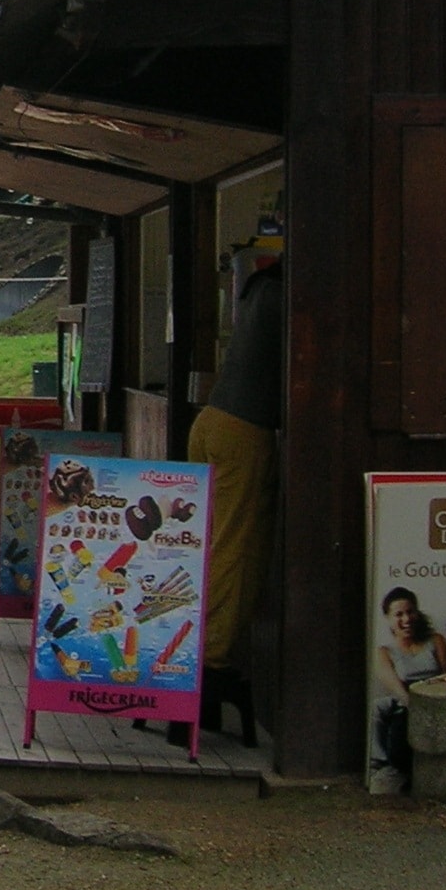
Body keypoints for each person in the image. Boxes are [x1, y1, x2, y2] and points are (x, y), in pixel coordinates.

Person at [189, 256, 281, 671]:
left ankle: (194, 642)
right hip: (245, 427)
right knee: (233, 546)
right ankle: (210, 657)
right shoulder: (289, 294)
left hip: (211, 419)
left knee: (208, 541)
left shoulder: (259, 287)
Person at [367, 585, 446, 793]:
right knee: (381, 709)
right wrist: (414, 705)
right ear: (388, 618)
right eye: (399, 614)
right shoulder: (385, 652)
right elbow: (397, 689)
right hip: (408, 704)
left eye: (410, 612)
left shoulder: (435, 641)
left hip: (437, 699)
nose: (406, 619)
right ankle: (382, 766)